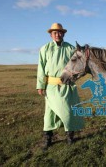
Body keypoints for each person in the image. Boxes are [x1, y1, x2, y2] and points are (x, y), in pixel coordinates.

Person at [36, 23, 84, 151]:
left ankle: (70, 137)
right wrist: (40, 85)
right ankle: (48, 139)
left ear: (63, 34)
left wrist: (75, 77)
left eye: (60, 32)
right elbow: (41, 68)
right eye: (55, 32)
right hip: (50, 86)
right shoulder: (45, 49)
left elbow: (78, 64)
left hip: (66, 85)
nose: (57, 34)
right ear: (51, 34)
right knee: (49, 115)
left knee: (68, 112)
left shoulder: (70, 48)